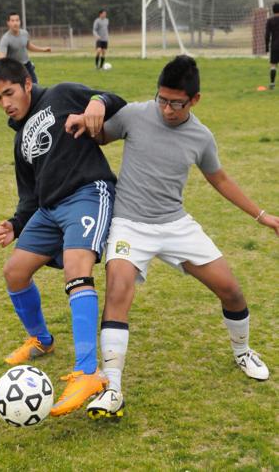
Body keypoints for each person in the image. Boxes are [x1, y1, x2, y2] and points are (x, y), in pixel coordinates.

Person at [66, 55, 279, 420]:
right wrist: (88, 118)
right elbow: (99, 136)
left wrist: (263, 216)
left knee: (231, 290)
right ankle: (112, 388)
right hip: (130, 223)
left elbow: (221, 180)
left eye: (175, 103)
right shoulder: (136, 114)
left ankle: (243, 351)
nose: (165, 108)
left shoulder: (201, 137)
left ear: (194, 99)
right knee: (118, 289)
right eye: (161, 99)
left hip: (175, 225)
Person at [0, 57, 126, 417]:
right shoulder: (20, 142)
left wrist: (97, 102)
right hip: (48, 210)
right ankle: (42, 340)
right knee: (15, 272)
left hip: (86, 192)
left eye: (9, 93)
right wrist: (16, 224)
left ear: (27, 84)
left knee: (77, 268)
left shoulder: (62, 95)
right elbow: (29, 195)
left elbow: (114, 100)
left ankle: (87, 373)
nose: (5, 103)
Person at [0, 12, 51, 84]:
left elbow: (28, 46)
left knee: (35, 85)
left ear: (20, 22)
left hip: (27, 64)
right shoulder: (5, 39)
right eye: (13, 21)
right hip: (14, 67)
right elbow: (2, 58)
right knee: (20, 88)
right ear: (8, 23)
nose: (15, 23)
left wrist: (43, 49)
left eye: (17, 20)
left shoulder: (24, 33)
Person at [265, 2, 279, 90]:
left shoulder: (270, 21)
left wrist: (266, 46)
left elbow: (267, 35)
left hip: (275, 46)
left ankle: (272, 84)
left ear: (273, 11)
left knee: (273, 65)